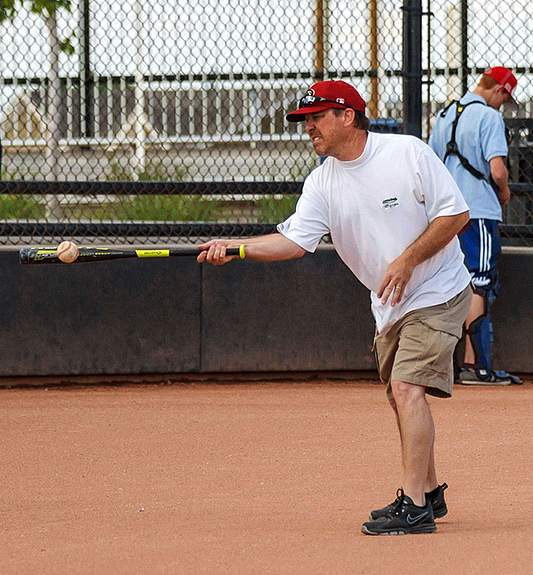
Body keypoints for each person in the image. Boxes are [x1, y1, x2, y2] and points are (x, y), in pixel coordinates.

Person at [199, 80, 472, 536]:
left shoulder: (407, 154)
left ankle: (416, 508)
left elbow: (455, 215)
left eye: (317, 117)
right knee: (399, 397)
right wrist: (236, 248)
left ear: (348, 117)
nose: (308, 128)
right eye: (305, 120)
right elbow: (293, 241)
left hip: (438, 289)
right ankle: (429, 492)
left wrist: (407, 259)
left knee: (406, 388)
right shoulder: (322, 181)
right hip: (388, 302)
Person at [428, 66, 523, 386]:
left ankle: (445, 365)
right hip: (477, 211)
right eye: (505, 97)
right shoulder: (489, 117)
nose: (503, 104)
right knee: (479, 283)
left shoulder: (444, 115)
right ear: (498, 89)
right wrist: (505, 191)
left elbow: (430, 166)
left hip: (444, 213)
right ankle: (478, 367)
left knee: (450, 282)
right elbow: (497, 170)